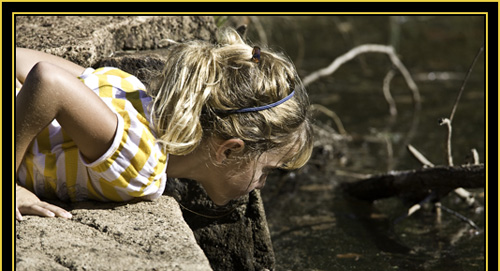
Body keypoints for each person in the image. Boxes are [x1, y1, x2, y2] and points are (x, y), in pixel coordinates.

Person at [15, 28, 313, 221]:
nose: (261, 185)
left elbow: (19, 60)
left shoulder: (132, 92)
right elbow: (47, 82)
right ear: (230, 150)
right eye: (267, 171)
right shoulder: (139, 163)